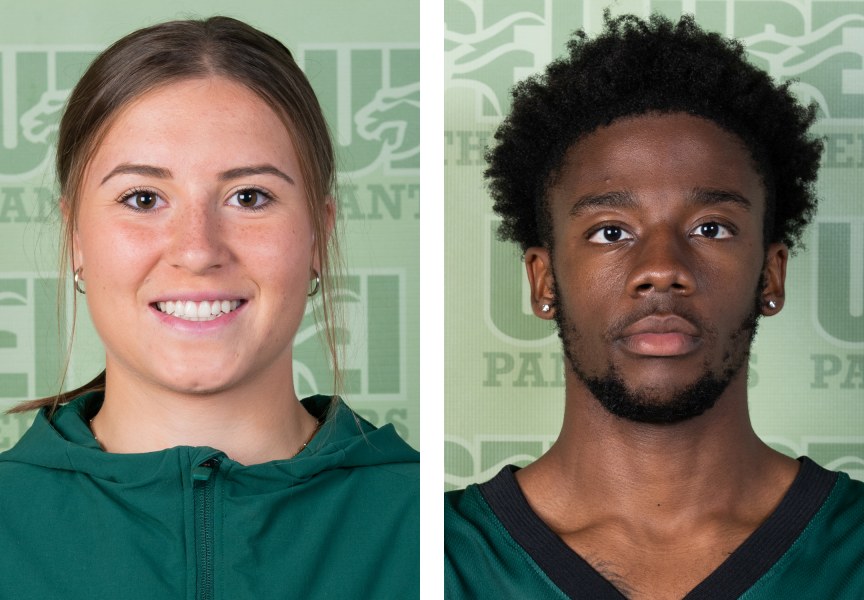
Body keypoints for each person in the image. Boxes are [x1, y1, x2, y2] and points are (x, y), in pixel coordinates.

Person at [445, 13, 863, 600]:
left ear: (771, 273)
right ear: (544, 281)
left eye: (711, 228)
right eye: (611, 232)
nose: (661, 267)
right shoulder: (433, 558)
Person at [0, 16, 418, 599]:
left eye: (249, 197)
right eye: (142, 198)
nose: (197, 250)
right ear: (74, 236)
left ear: (319, 236)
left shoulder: (443, 542)